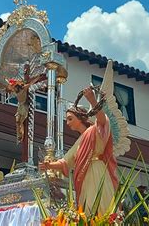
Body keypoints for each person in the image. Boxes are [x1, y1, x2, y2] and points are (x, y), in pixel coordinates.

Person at [40, 86, 118, 215]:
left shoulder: (94, 130)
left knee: (99, 206)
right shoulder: (80, 141)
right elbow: (65, 162)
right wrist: (49, 165)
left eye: (70, 118)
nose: (68, 123)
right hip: (84, 176)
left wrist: (92, 100)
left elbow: (103, 120)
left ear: (81, 117)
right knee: (87, 208)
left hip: (97, 171)